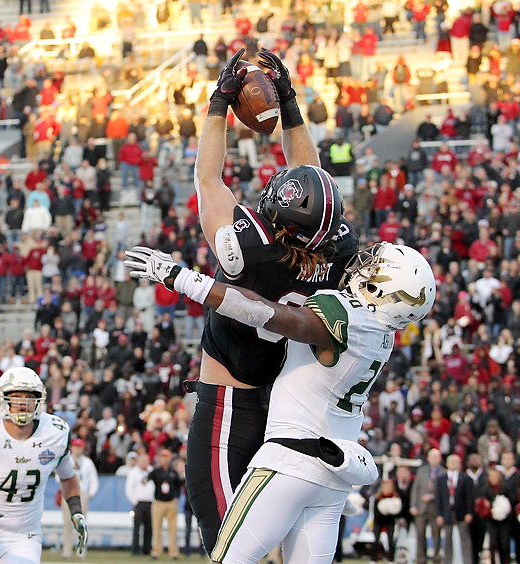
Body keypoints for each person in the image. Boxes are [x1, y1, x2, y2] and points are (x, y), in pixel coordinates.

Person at [124, 241, 436, 563]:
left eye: (374, 268)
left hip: (291, 462)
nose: (361, 266)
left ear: (384, 291)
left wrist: (183, 279)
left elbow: (265, 313)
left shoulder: (347, 317)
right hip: (334, 481)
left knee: (227, 559)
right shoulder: (383, 335)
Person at [187, 46, 359, 555]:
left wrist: (219, 103)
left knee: (227, 552)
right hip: (292, 415)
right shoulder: (336, 245)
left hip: (230, 409)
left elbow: (208, 179)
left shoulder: (251, 250)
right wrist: (288, 101)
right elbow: (314, 182)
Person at [0, 367, 88, 563]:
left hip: (25, 536)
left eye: (29, 397)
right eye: (16, 396)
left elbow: (69, 478)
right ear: (2, 399)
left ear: (39, 400)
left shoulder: (54, 434)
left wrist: (76, 512)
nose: (22, 403)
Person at [60, 438, 98, 559]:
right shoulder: (66, 460)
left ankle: (81, 550)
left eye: (79, 447)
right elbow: (58, 477)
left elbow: (93, 479)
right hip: (68, 492)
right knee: (67, 523)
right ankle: (67, 550)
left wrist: (90, 493)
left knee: (81, 523)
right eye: (75, 447)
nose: (77, 450)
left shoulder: (87, 463)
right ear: (72, 448)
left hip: (82, 493)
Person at [436, 454, 475, 564]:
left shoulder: (466, 479)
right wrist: (439, 514)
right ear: (447, 464)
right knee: (447, 538)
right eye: (451, 462)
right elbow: (439, 498)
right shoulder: (441, 479)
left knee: (465, 538)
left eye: (456, 462)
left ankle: (467, 561)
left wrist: (469, 512)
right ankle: (447, 561)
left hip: (461, 512)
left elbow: (469, 497)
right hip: (447, 512)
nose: (453, 464)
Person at [149, 448, 184, 559]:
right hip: (158, 502)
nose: (164, 460)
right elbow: (147, 479)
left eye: (166, 457)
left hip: (170, 502)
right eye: (162, 457)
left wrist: (176, 497)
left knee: (172, 528)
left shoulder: (173, 472)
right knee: (156, 528)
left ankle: (173, 552)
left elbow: (179, 485)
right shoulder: (156, 471)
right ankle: (156, 551)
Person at [411, 449, 443, 564]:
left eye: (436, 457)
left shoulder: (443, 472)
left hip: (435, 507)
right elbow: (415, 488)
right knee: (420, 533)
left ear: (440, 459)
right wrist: (413, 505)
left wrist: (433, 496)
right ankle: (421, 558)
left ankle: (436, 557)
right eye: (432, 457)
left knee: (436, 534)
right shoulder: (422, 471)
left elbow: (444, 492)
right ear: (428, 458)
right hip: (421, 506)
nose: (434, 459)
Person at [125, 452, 154, 556]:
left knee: (149, 527)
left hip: (150, 502)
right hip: (139, 502)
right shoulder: (134, 472)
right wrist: (134, 501)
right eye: (143, 461)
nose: (145, 463)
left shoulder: (151, 471)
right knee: (137, 527)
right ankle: (135, 548)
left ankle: (147, 549)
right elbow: (129, 488)